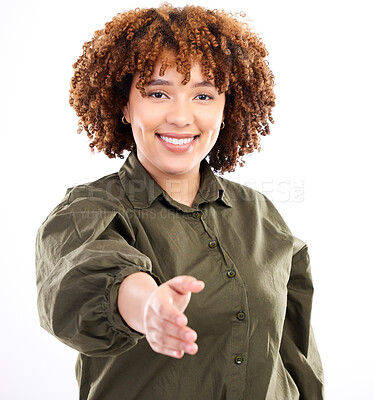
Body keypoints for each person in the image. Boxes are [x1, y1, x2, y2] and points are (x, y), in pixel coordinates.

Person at [35, 3, 324, 399]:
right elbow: (87, 279)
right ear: (124, 104)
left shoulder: (259, 213)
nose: (181, 116)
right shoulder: (89, 210)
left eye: (203, 96)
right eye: (158, 93)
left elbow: (296, 353)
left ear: (227, 109)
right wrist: (147, 304)